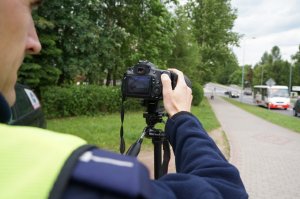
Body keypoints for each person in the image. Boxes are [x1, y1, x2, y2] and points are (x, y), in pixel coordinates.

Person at [0, 0, 248, 198]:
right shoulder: (71, 178)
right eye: (29, 6)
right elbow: (225, 190)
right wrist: (182, 116)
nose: (35, 42)